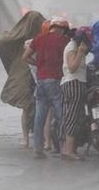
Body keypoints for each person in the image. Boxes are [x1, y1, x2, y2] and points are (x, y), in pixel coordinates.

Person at [22, 16, 69, 159]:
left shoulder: (39, 39)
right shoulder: (63, 41)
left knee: (39, 117)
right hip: (55, 81)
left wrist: (39, 65)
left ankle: (38, 149)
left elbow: (25, 57)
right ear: (61, 29)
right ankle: (64, 147)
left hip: (41, 81)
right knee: (62, 115)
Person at [0, 11, 46, 149]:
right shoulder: (23, 40)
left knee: (35, 108)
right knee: (32, 107)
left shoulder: (41, 37)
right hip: (29, 77)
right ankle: (33, 138)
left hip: (38, 76)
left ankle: (32, 138)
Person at [60, 26, 92, 161]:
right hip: (74, 84)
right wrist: (80, 52)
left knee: (73, 116)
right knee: (72, 117)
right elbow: (72, 68)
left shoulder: (72, 46)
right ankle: (68, 151)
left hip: (74, 83)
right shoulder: (73, 47)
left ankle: (68, 148)